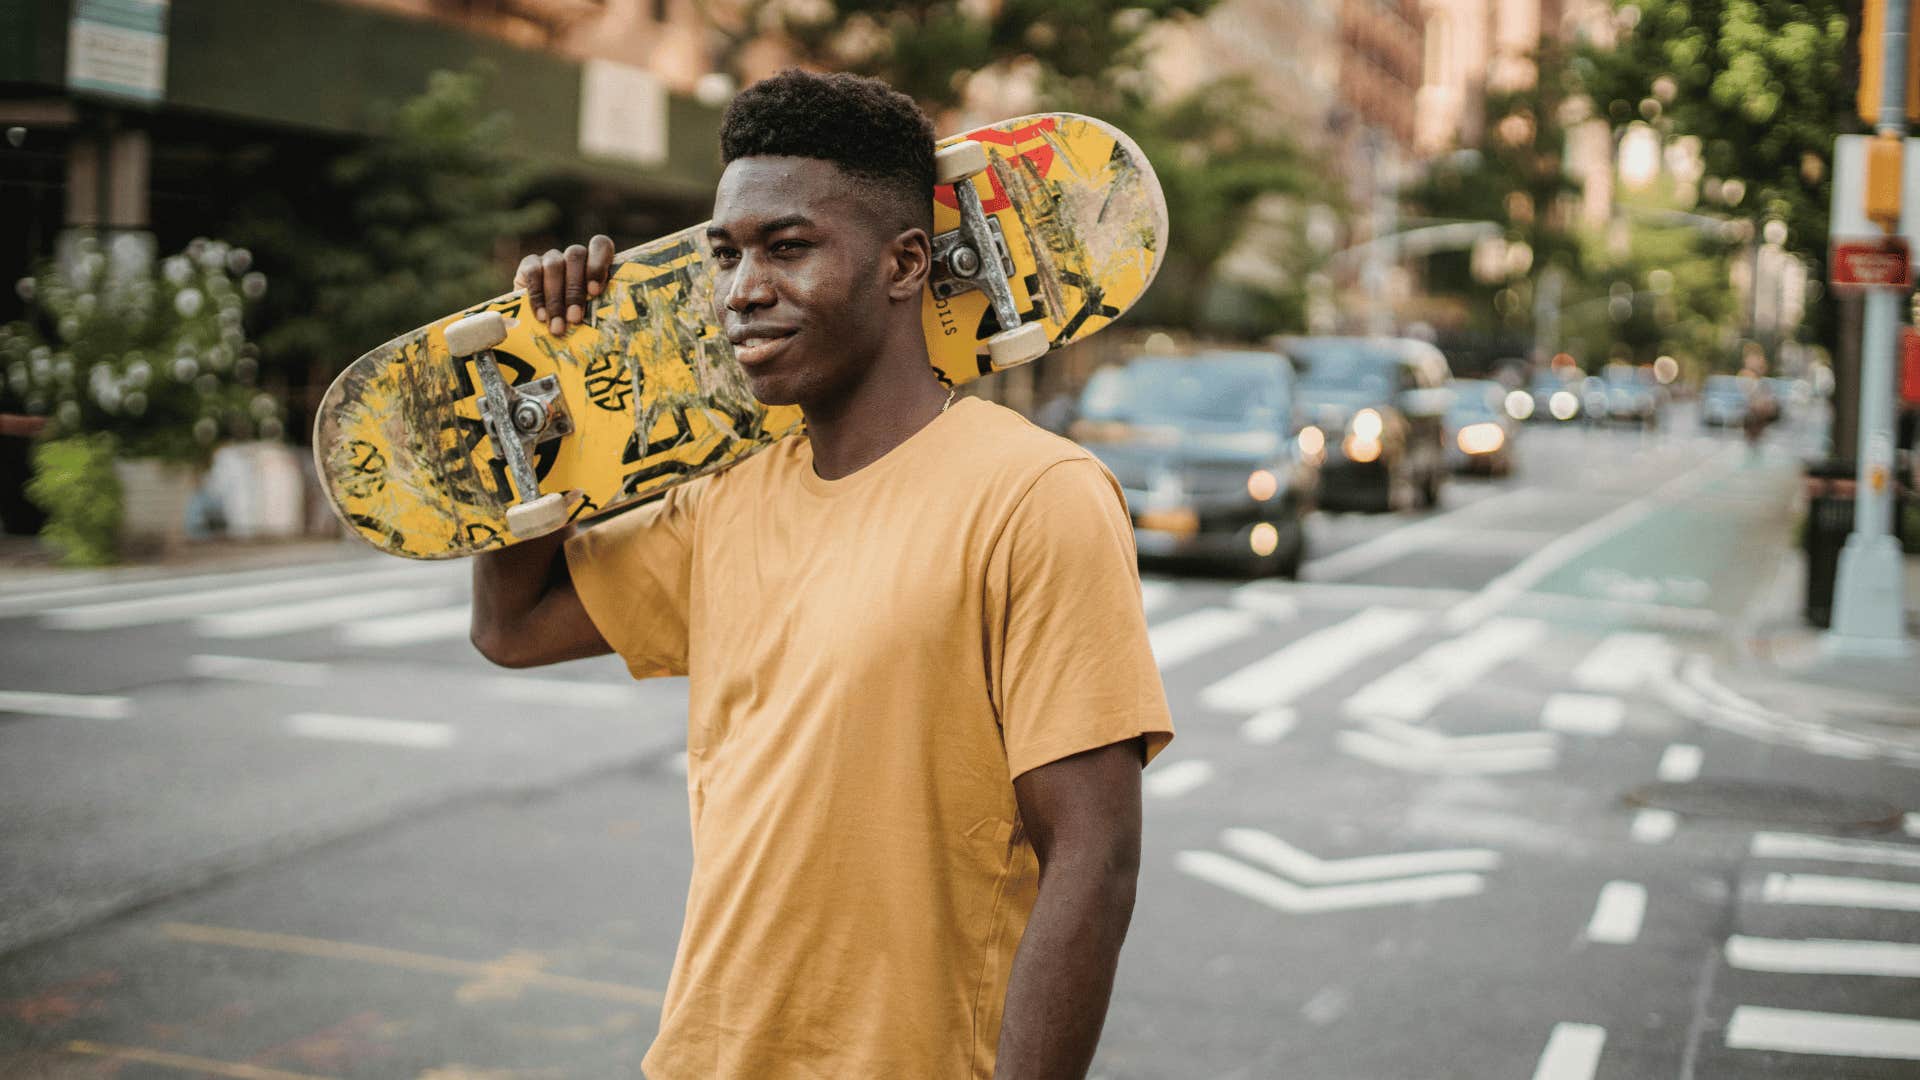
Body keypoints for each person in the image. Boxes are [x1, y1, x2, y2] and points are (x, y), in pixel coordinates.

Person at [469, 70, 1173, 1079]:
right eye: (725, 255)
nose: (742, 288)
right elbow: (512, 627)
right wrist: (553, 383)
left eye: (788, 247)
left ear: (904, 263)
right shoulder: (724, 502)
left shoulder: (1035, 493)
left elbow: (1095, 857)